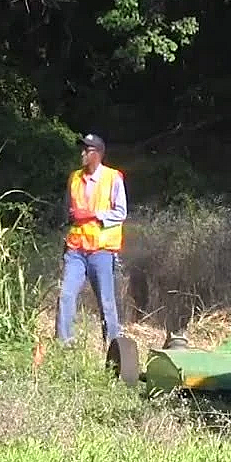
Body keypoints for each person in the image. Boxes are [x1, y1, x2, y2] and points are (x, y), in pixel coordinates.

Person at [56, 133, 127, 346]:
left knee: (106, 302)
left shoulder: (113, 177)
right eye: (83, 149)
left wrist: (93, 215)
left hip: (102, 250)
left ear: (98, 154)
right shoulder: (74, 177)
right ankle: (64, 345)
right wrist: (71, 215)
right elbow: (70, 210)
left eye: (87, 150)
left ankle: (114, 351)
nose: (83, 153)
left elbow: (121, 212)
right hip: (76, 249)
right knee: (66, 296)